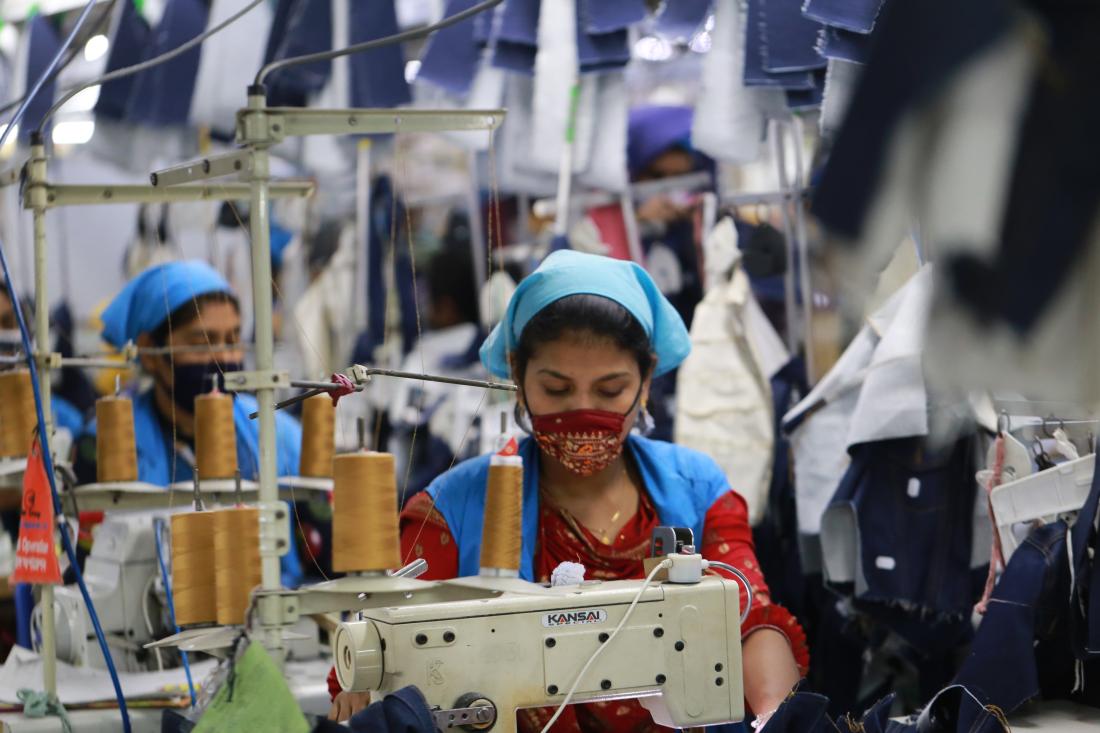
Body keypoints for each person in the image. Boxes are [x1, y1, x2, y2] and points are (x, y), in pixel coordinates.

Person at [328, 251, 808, 730]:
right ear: (517, 374)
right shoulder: (452, 509)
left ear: (645, 381)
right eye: (557, 391)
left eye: (609, 390)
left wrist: (775, 719)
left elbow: (748, 619)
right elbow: (380, 649)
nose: (581, 411)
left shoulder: (699, 490)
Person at [74, 260, 303, 587]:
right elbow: (82, 571)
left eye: (232, 338)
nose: (224, 358)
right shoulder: (103, 444)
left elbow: (326, 556)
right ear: (151, 352)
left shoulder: (280, 436)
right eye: (201, 342)